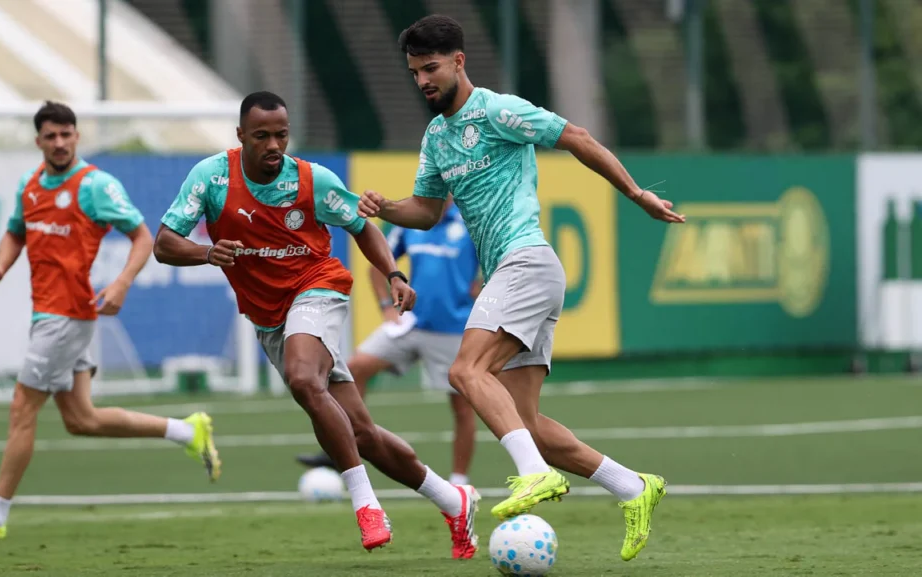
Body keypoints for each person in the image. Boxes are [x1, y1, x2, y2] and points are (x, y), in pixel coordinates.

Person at [358, 16, 686, 562]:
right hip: (519, 273)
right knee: (526, 421)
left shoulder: (498, 110)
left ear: (459, 61)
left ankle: (533, 473)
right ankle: (633, 486)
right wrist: (386, 207)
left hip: (525, 262)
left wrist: (636, 194)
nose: (423, 81)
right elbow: (428, 212)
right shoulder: (436, 137)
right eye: (414, 72)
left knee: (466, 372)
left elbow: (576, 137)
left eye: (431, 68)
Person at [152, 91, 481, 557]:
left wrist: (393, 274)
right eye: (261, 136)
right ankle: (453, 500)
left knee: (304, 379)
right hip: (268, 316)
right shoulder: (211, 178)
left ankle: (366, 505)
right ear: (241, 135)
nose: (273, 145)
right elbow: (164, 243)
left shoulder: (312, 180)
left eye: (281, 135)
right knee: (362, 433)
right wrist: (206, 252)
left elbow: (363, 227)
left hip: (317, 288)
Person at [0, 102, 221, 541]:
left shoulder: (95, 186)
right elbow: (15, 231)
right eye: (51, 136)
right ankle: (187, 431)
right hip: (50, 315)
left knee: (22, 409)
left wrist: (122, 283)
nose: (59, 143)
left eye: (66, 134)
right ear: (38, 141)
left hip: (66, 318)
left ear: (76, 136)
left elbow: (142, 237)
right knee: (81, 419)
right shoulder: (30, 185)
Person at [297, 194, 481, 489]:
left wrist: (482, 287)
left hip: (452, 329)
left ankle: (459, 482)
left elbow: (496, 265)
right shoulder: (411, 222)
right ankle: (340, 451)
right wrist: (386, 306)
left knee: (463, 406)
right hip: (410, 322)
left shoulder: (470, 222)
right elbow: (376, 265)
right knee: (354, 367)